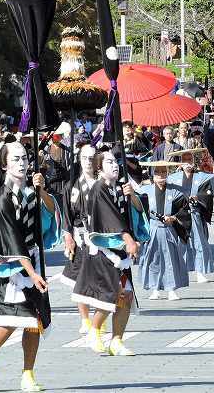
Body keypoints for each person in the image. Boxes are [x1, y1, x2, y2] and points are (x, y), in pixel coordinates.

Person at [0, 142, 60, 392]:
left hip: (29, 258)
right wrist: (32, 273)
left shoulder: (30, 192)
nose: (21, 163)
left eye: (24, 158)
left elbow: (50, 212)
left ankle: (27, 374)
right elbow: (12, 241)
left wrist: (42, 190)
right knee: (11, 317)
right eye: (16, 159)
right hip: (8, 264)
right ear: (4, 164)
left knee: (34, 319)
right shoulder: (2, 199)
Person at [68, 149, 143, 356]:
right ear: (99, 167)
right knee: (109, 296)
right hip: (104, 250)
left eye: (116, 161)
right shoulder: (98, 189)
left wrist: (132, 195)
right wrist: (128, 239)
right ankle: (94, 330)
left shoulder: (119, 188)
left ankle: (117, 340)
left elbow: (136, 211)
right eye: (109, 162)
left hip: (120, 252)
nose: (115, 165)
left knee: (126, 296)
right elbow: (111, 220)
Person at [58, 143, 96, 335]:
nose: (88, 162)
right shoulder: (71, 186)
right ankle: (85, 319)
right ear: (79, 160)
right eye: (85, 158)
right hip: (79, 235)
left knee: (101, 278)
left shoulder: (103, 183)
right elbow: (66, 214)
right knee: (79, 279)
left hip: (100, 236)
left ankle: (100, 317)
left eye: (91, 158)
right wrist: (67, 236)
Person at [139, 161, 191, 301]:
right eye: (157, 172)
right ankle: (155, 288)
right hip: (152, 228)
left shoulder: (175, 191)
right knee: (153, 259)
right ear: (153, 175)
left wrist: (173, 218)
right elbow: (138, 211)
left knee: (171, 259)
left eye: (163, 172)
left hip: (169, 228)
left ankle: (171, 289)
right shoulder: (144, 191)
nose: (161, 175)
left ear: (167, 174)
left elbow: (185, 209)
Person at [168, 149, 214, 284]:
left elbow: (208, 193)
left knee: (199, 242)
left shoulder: (202, 176)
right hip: (180, 215)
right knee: (181, 244)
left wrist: (198, 197)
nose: (188, 163)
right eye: (185, 160)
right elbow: (169, 196)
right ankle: (181, 270)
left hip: (195, 213)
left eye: (190, 160)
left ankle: (200, 272)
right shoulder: (173, 178)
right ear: (181, 163)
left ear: (194, 161)